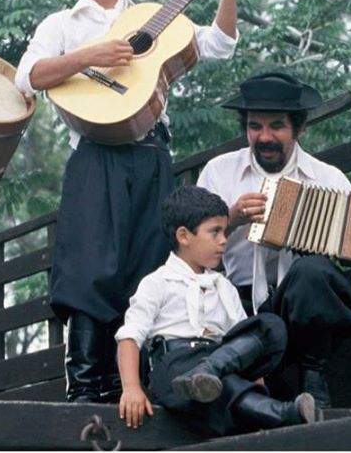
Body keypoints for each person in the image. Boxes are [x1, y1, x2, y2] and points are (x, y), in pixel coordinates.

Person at [14, 0, 245, 403]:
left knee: (149, 266)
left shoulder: (151, 19)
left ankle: (135, 384)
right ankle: (85, 386)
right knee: (87, 266)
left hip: (153, 153)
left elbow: (220, 43)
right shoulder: (61, 24)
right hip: (95, 154)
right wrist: (89, 55)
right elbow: (27, 77)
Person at [196, 71, 351, 406]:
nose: (264, 137)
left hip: (308, 312)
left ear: (299, 128)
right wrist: (231, 219)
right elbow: (191, 253)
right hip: (240, 308)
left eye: (277, 126)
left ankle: (312, 375)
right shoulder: (218, 172)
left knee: (312, 271)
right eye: (255, 126)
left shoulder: (327, 177)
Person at [115, 186, 315, 436]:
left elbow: (245, 340)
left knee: (270, 326)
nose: (224, 240)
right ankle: (286, 414)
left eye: (224, 231)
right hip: (176, 368)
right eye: (215, 232)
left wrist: (256, 381)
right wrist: (131, 388)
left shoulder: (224, 286)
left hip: (221, 367)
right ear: (184, 236)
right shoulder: (157, 282)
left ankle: (209, 371)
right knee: (224, 386)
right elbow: (129, 337)